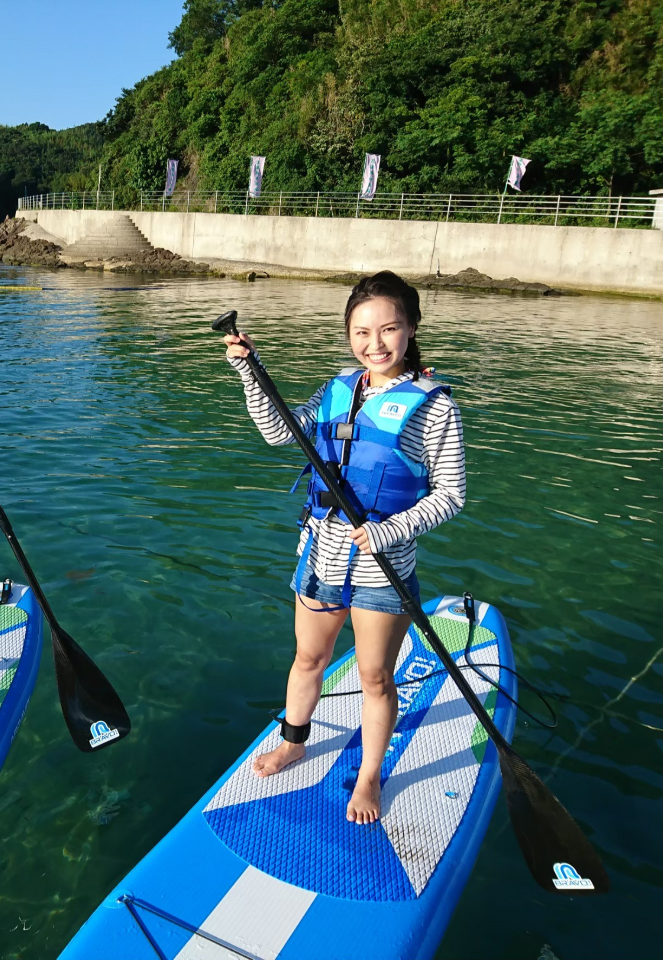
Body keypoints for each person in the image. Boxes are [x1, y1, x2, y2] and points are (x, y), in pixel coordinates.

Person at [222, 271, 465, 824]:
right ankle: (294, 740)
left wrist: (389, 530)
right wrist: (247, 372)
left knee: (374, 677)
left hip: (385, 563)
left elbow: (452, 494)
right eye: (361, 332)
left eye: (388, 329)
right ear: (348, 334)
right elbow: (280, 431)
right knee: (309, 657)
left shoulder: (433, 405)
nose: (374, 344)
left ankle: (371, 775)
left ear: (411, 329)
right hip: (323, 550)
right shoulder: (336, 391)